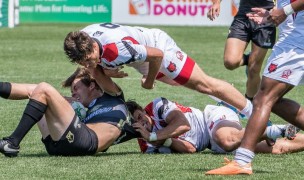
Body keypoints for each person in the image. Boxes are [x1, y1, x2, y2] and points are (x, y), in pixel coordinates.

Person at [63, 23, 254, 120]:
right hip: (141, 57)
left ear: (92, 48)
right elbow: (96, 62)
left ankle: (254, 113)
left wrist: (148, 81)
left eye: (89, 59)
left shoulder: (118, 48)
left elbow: (157, 55)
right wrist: (104, 67)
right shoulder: (84, 38)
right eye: (83, 62)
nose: (87, 64)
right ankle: (228, 100)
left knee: (204, 85)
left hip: (159, 49)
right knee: (178, 82)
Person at [206, 0, 304, 175]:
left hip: (296, 42)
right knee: (269, 100)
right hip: (293, 37)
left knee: (262, 99)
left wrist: (285, 11)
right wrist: (277, 13)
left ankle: (242, 162)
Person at [0, 66, 140, 157]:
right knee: (38, 90)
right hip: (59, 145)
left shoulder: (113, 96)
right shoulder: (86, 109)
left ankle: (12, 142)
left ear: (92, 85)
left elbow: (95, 69)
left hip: (85, 142)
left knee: (44, 89)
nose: (73, 94)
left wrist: (104, 69)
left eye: (76, 88)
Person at [126, 97, 300, 154]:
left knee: (225, 138)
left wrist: (156, 136)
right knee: (276, 150)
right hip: (210, 143)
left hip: (211, 118)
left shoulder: (157, 106)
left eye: (140, 116)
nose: (143, 123)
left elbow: (183, 124)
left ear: (143, 110)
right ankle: (276, 132)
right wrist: (162, 142)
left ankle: (273, 129)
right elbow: (190, 149)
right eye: (138, 123)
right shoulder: (146, 145)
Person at [207, 0, 276, 101]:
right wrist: (217, 3)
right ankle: (249, 59)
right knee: (230, 62)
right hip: (243, 15)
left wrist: (277, 9)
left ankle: (250, 105)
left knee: (254, 69)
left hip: (266, 17)